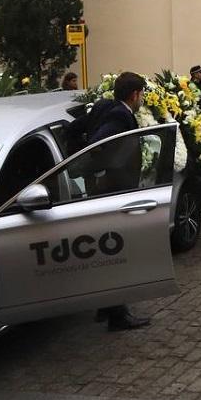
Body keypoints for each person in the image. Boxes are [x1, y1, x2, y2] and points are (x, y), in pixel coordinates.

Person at [68, 72, 152, 332]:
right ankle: (118, 316)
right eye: (142, 95)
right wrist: (103, 171)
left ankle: (104, 307)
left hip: (101, 192)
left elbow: (73, 129)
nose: (142, 99)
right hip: (114, 192)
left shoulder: (105, 105)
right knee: (116, 253)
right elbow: (96, 143)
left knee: (107, 251)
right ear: (135, 94)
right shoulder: (120, 116)